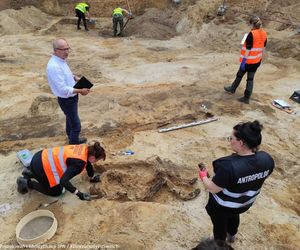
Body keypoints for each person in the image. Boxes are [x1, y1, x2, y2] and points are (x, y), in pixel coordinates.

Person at [198, 120, 274, 246]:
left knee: (220, 225)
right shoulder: (267, 159)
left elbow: (212, 189)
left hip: (222, 206)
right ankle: (232, 235)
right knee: (234, 215)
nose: (229, 141)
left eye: (231, 138)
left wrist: (203, 176)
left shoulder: (227, 166)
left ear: (241, 142)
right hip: (243, 203)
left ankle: (220, 244)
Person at [16, 141, 106, 201]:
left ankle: (30, 172)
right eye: (97, 160)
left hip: (39, 157)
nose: (96, 162)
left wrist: (91, 177)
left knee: (45, 174)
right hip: (41, 168)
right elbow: (63, 181)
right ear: (93, 157)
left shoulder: (84, 148)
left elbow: (88, 164)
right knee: (56, 191)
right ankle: (26, 183)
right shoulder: (79, 163)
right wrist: (79, 194)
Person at [46, 38, 90, 145]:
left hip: (71, 97)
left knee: (70, 119)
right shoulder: (54, 67)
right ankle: (73, 146)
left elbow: (66, 75)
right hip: (67, 99)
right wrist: (81, 91)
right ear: (55, 50)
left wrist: (75, 78)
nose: (66, 52)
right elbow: (63, 89)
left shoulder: (61, 60)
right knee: (76, 125)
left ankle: (71, 138)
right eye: (63, 49)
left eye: (67, 49)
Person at [224, 16, 267, 104]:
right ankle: (246, 98)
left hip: (248, 61)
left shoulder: (251, 34)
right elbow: (263, 47)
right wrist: (260, 59)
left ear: (252, 24)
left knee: (239, 75)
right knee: (250, 79)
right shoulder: (264, 33)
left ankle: (232, 89)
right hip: (256, 61)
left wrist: (243, 61)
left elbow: (248, 49)